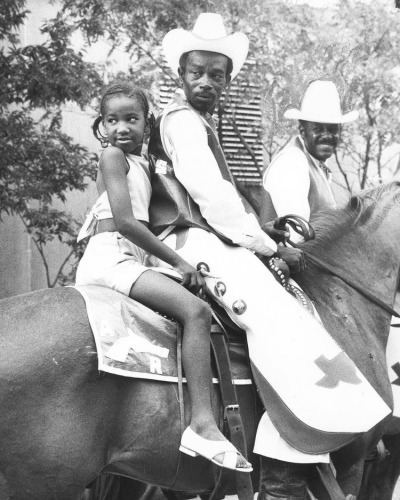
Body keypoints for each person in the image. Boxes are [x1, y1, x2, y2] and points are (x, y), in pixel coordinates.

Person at [148, 14, 389, 500]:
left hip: (210, 238)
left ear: (228, 80)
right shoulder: (180, 121)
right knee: (284, 322)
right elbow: (210, 199)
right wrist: (269, 246)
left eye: (218, 75)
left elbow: (227, 201)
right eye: (197, 72)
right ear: (181, 73)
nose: (207, 82)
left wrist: (262, 228)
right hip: (189, 243)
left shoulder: (196, 122)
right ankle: (281, 477)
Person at [75, 82, 252, 473]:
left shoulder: (141, 163)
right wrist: (180, 264)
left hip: (131, 256)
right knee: (197, 313)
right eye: (112, 120)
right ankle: (202, 424)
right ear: (102, 126)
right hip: (111, 257)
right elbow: (125, 222)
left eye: (131, 119)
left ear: (147, 123)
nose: (122, 127)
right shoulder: (112, 156)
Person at [263, 79, 358, 243]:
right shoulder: (293, 162)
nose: (327, 135)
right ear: (302, 130)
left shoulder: (317, 164)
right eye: (318, 129)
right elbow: (296, 237)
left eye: (333, 129)